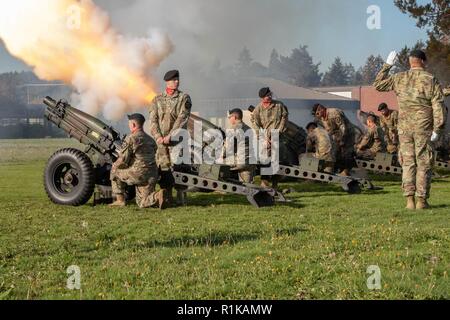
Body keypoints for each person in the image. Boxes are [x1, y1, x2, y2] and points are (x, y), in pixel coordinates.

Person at [374, 49, 446, 210]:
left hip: (404, 128)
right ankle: (421, 201)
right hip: (424, 127)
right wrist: (438, 128)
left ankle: (409, 201)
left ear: (410, 62)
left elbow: (378, 85)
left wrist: (387, 65)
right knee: (424, 162)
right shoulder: (430, 79)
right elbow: (438, 105)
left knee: (408, 163)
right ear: (424, 61)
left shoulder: (399, 77)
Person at [149, 70, 192, 206]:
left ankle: (181, 197)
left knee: (180, 168)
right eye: (174, 80)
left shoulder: (184, 98)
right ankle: (166, 196)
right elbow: (153, 120)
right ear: (167, 82)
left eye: (178, 79)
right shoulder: (157, 99)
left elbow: (182, 119)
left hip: (177, 140)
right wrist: (158, 137)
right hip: (161, 142)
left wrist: (170, 136)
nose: (177, 82)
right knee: (164, 168)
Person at [110, 114, 167, 209]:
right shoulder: (151, 140)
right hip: (152, 174)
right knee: (142, 202)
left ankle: (120, 200)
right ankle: (157, 196)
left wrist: (115, 165)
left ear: (133, 125)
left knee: (114, 170)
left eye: (129, 124)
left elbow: (123, 160)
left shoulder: (131, 138)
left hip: (138, 174)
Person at [251, 87, 289, 188]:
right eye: (267, 96)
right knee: (265, 161)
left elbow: (284, 119)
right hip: (265, 137)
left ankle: (275, 184)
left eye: (270, 94)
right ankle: (264, 182)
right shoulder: (258, 108)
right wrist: (263, 137)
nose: (269, 96)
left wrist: (277, 134)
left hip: (278, 136)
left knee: (277, 161)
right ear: (262, 98)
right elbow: (254, 122)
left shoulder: (279, 105)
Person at [312, 103, 356, 176]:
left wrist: (342, 140)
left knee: (347, 153)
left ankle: (347, 171)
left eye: (317, 113)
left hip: (348, 134)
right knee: (335, 152)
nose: (317, 116)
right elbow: (329, 130)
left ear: (321, 109)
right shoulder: (322, 118)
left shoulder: (334, 113)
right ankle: (339, 170)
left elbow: (343, 127)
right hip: (337, 135)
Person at [226, 108, 255, 183]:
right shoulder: (249, 129)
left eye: (230, 118)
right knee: (247, 185)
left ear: (234, 117)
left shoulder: (233, 129)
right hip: (250, 161)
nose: (229, 120)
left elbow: (228, 148)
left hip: (239, 162)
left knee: (217, 165)